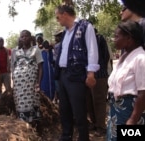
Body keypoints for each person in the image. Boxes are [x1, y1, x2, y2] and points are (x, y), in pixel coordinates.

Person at [54, 4, 99, 141]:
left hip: (76, 75)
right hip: (63, 75)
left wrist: (91, 73)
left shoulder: (85, 27)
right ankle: (66, 136)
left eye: (58, 17)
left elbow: (92, 50)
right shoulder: (65, 33)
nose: (57, 20)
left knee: (79, 111)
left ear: (65, 14)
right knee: (65, 109)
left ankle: (83, 138)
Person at [107, 20, 145, 141]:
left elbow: (143, 93)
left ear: (129, 38)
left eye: (117, 36)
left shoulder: (141, 59)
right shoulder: (124, 57)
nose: (114, 39)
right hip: (117, 112)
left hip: (130, 113)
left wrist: (133, 119)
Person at [11, 29, 43, 125]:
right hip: (19, 86)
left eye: (26, 36)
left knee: (32, 104)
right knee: (20, 105)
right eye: (22, 36)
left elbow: (41, 67)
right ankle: (24, 129)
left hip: (31, 83)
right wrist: (13, 78)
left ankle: (33, 130)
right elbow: (13, 67)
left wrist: (38, 83)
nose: (24, 38)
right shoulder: (16, 52)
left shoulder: (35, 50)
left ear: (30, 38)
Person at [86, 28, 110, 137]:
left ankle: (101, 127)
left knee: (99, 101)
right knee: (89, 101)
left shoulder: (99, 38)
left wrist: (100, 70)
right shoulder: (84, 41)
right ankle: (94, 123)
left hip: (99, 75)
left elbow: (106, 56)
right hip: (87, 76)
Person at [0, 37, 11, 101]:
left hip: (5, 72)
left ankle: (8, 102)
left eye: (2, 41)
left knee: (8, 88)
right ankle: (0, 102)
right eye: (0, 41)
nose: (1, 43)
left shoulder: (6, 50)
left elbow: (8, 60)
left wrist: (9, 68)